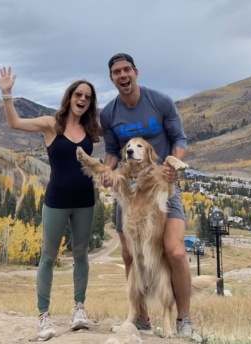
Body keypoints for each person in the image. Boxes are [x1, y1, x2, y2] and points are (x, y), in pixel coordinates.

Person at [99, 54, 202, 342]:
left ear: (136, 72)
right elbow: (111, 152)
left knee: (176, 252)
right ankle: (141, 318)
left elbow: (179, 139)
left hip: (161, 187)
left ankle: (184, 319)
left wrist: (173, 165)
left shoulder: (160, 101)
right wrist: (106, 172)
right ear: (112, 79)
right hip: (130, 192)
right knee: (130, 255)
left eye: (126, 69)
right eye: (116, 72)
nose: (122, 75)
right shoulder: (108, 113)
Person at [0, 66, 100, 341]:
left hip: (85, 202)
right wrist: (7, 95)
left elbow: (115, 141)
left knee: (81, 256)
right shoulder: (51, 124)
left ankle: (79, 309)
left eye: (88, 97)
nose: (83, 99)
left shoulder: (91, 129)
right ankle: (43, 316)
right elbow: (14, 123)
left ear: (90, 103)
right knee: (48, 258)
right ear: (70, 96)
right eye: (79, 94)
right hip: (56, 201)